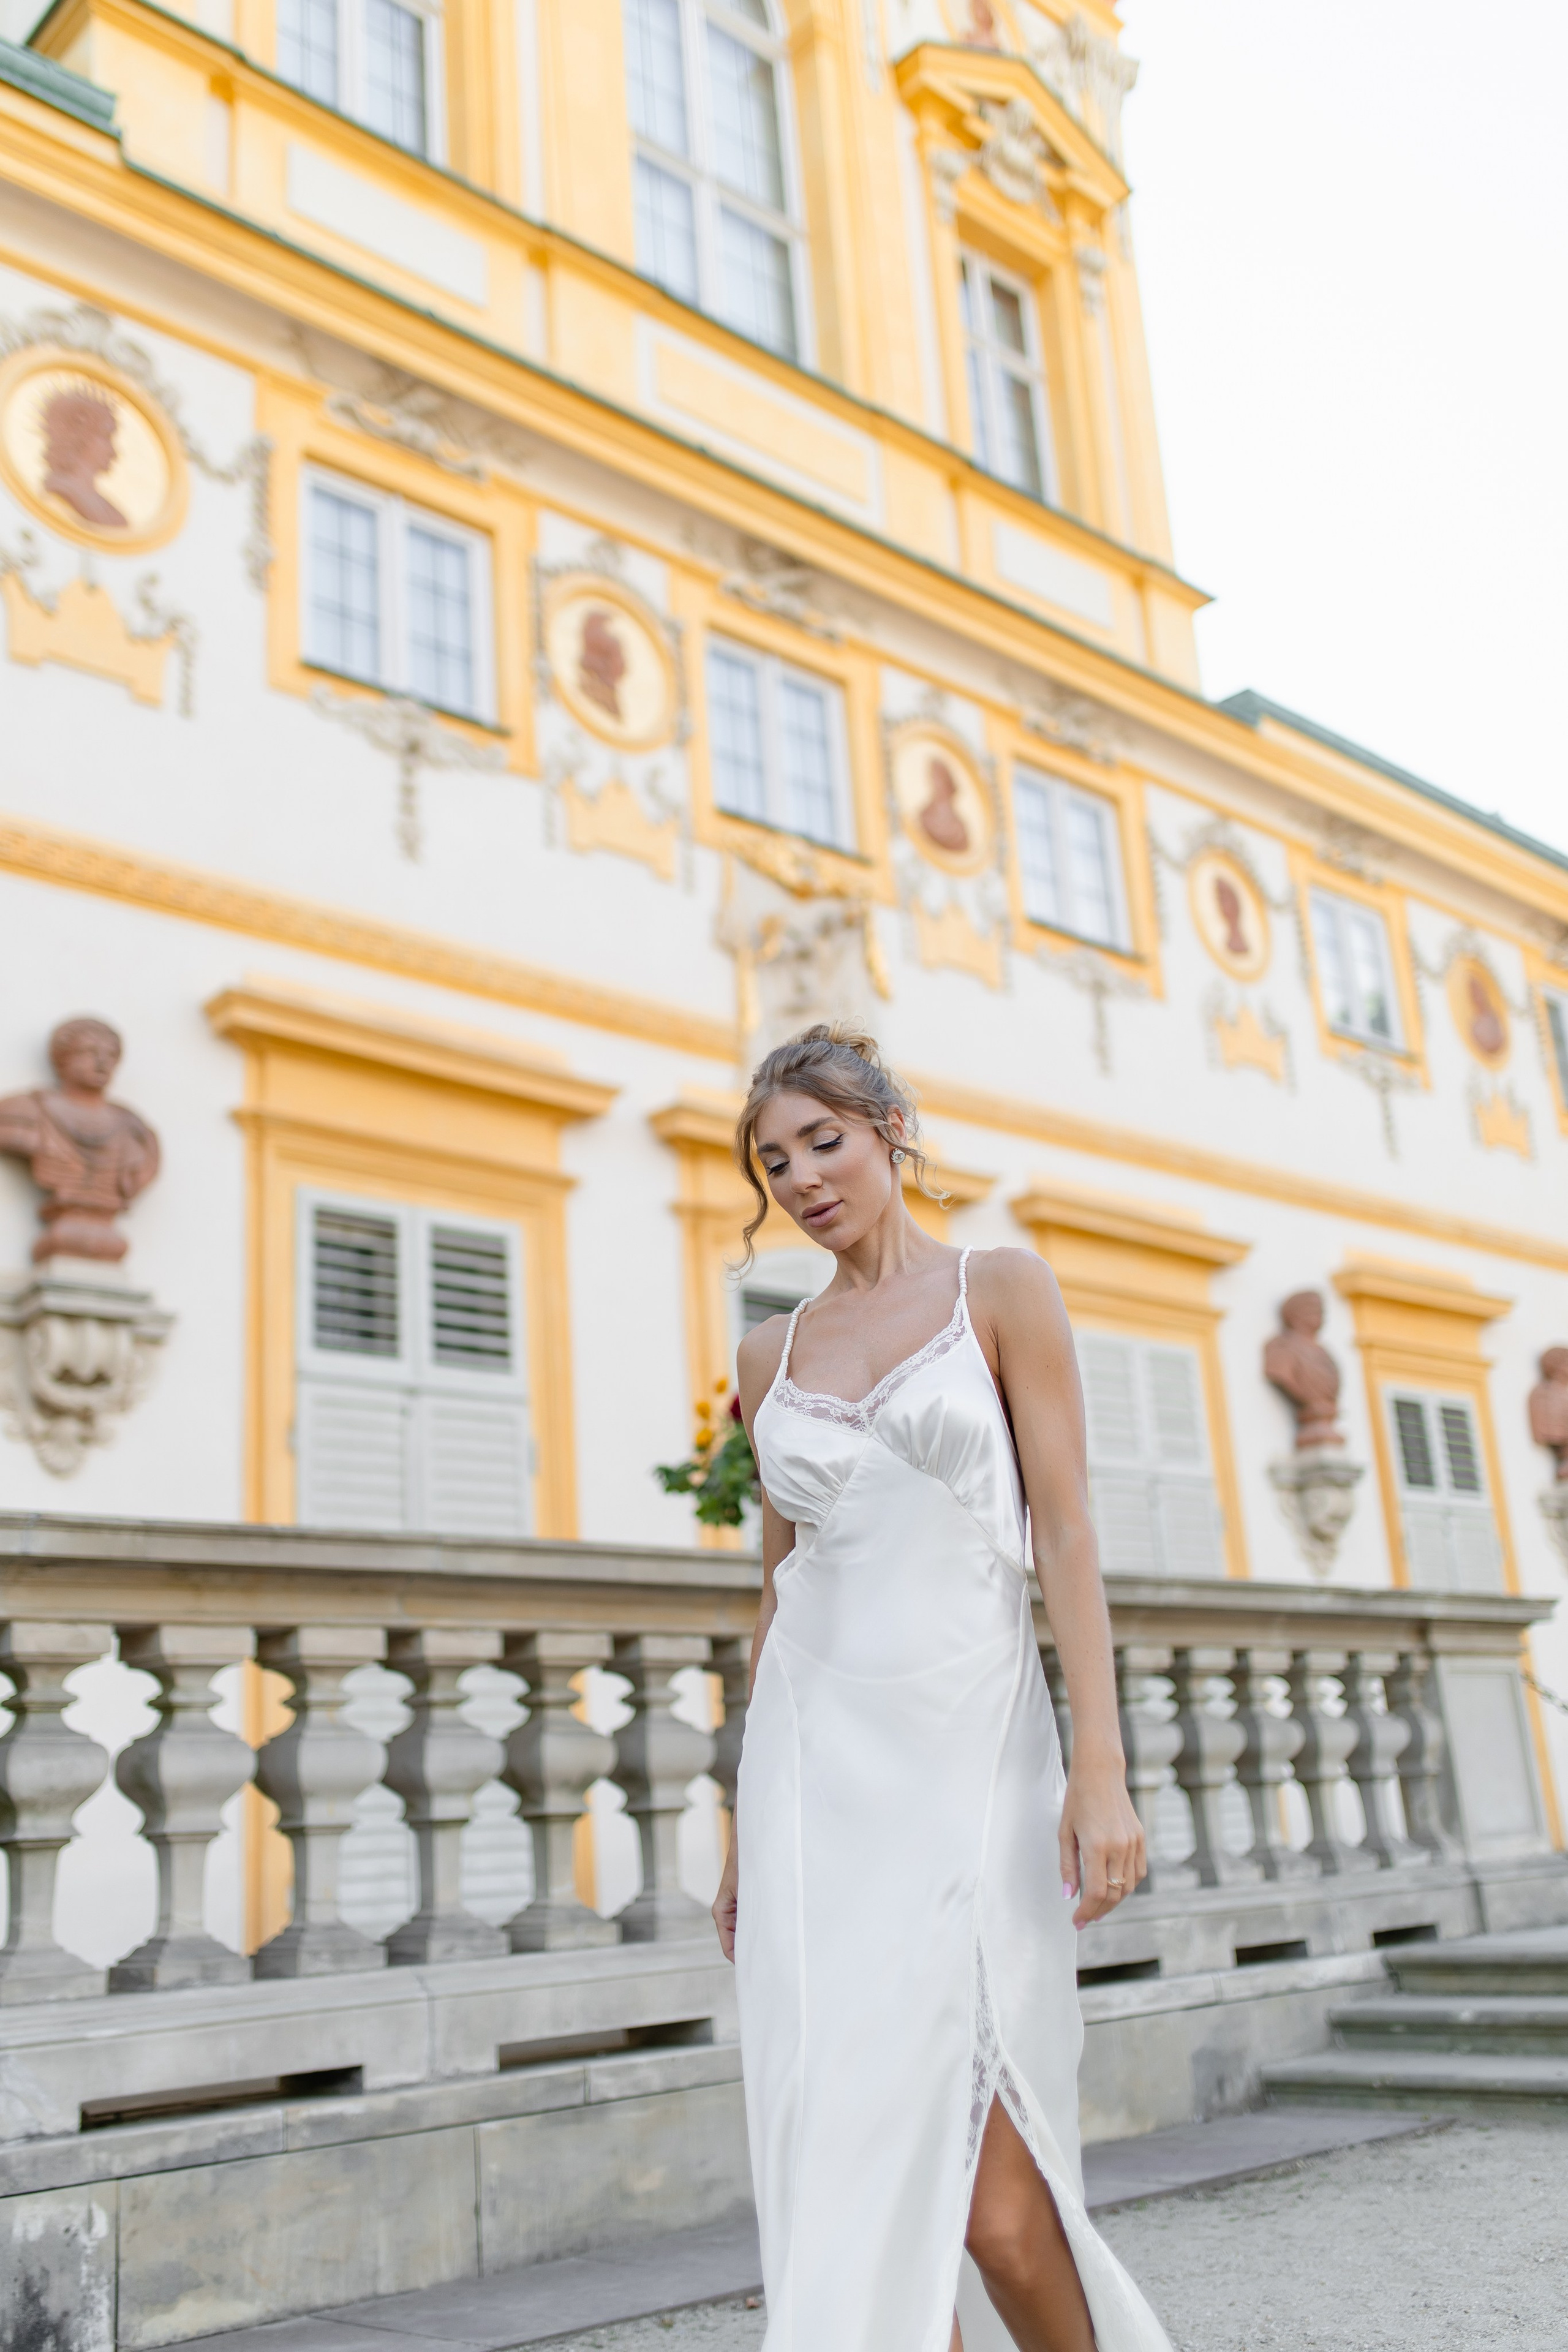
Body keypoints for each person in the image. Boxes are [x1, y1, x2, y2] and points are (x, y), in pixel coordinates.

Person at [712, 1023, 1172, 2352]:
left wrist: (1100, 1767)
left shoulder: (1000, 1289)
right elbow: (776, 1590)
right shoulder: (765, 1356)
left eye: (822, 1141)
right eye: (772, 1160)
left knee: (998, 2212)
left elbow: (1067, 1533)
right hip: (812, 1771)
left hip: (971, 1748)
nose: (800, 1177)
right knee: (848, 2178)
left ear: (890, 1133)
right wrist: (746, 1825)